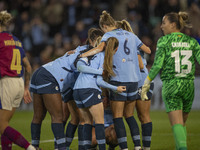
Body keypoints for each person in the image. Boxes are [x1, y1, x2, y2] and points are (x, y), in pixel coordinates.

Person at [30, 28, 104, 150]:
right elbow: (79, 65)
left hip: (41, 72)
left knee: (39, 115)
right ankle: (61, 148)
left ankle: (34, 146)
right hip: (52, 77)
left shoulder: (79, 48)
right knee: (59, 116)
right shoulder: (90, 52)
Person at [81, 11, 143, 150]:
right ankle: (138, 146)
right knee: (129, 116)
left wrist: (83, 56)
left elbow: (98, 53)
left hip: (118, 81)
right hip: (133, 81)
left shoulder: (107, 43)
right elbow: (146, 54)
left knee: (118, 118)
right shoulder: (132, 38)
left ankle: (123, 147)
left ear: (104, 27)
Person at [141, 12, 200, 150]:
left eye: (164, 23)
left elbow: (157, 65)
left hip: (172, 85)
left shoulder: (164, 41)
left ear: (173, 25)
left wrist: (146, 82)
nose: (161, 26)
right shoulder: (192, 41)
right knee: (181, 123)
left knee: (177, 124)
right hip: (188, 86)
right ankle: (180, 147)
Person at [73, 37, 126, 150]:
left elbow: (79, 66)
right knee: (99, 122)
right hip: (89, 89)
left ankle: (84, 148)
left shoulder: (89, 53)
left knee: (87, 121)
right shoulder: (104, 58)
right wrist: (115, 87)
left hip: (77, 90)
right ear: (115, 49)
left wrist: (115, 88)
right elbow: (98, 81)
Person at [0, 10, 37, 150]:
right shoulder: (16, 40)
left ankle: (29, 148)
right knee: (5, 123)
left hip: (7, 82)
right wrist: (26, 88)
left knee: (2, 125)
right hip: (19, 83)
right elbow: (28, 66)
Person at [117, 19, 154, 150]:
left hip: (140, 80)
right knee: (139, 116)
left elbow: (139, 64)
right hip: (143, 79)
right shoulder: (133, 40)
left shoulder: (128, 43)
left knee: (137, 115)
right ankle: (143, 147)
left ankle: (143, 147)